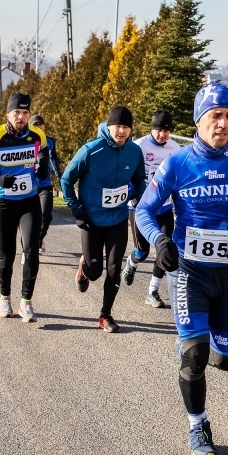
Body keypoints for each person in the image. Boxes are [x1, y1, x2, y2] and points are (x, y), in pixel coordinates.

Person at [135, 82, 228, 455]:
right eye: (215, 116)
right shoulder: (178, 163)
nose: (223, 123)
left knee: (225, 361)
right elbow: (145, 210)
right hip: (190, 273)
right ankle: (198, 424)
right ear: (199, 121)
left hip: (227, 275)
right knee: (194, 357)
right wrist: (160, 242)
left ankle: (201, 340)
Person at [60, 106, 147, 333]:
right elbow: (66, 180)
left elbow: (140, 180)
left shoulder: (134, 152)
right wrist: (77, 210)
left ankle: (105, 315)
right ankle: (84, 267)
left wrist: (138, 194)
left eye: (126, 127)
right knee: (95, 271)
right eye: (117, 126)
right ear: (108, 127)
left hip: (118, 218)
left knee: (114, 268)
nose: (121, 131)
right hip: (91, 220)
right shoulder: (91, 150)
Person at [0, 92, 46, 323]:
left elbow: (43, 152)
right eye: (17, 113)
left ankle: (26, 302)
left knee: (31, 251)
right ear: (8, 114)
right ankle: (5, 298)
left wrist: (41, 164)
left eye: (25, 113)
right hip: (3, 203)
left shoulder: (37, 134)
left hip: (29, 201)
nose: (21, 117)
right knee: (7, 256)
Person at [121, 110, 182, 308]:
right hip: (141, 207)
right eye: (158, 130)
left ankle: (152, 291)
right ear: (151, 129)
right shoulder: (139, 145)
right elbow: (127, 171)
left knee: (165, 249)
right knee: (143, 251)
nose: (162, 134)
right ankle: (131, 263)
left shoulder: (176, 149)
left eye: (166, 131)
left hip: (164, 207)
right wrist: (131, 191)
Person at [29, 114, 62, 254]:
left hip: (45, 184)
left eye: (40, 124)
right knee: (30, 218)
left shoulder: (50, 142)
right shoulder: (25, 141)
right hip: (29, 186)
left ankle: (37, 240)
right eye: (35, 125)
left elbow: (54, 161)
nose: (38, 127)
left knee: (46, 216)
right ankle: (30, 245)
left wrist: (60, 178)